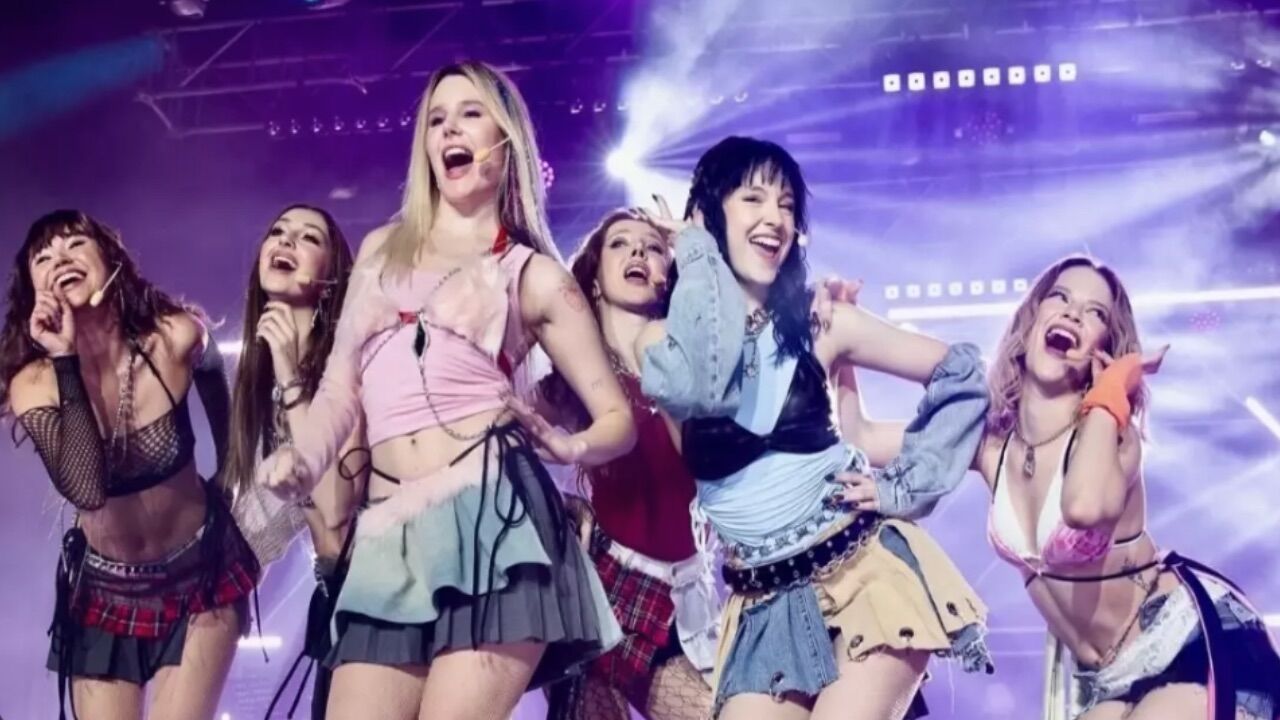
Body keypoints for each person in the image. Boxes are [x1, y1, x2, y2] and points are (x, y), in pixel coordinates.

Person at [256, 61, 633, 720]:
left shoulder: (533, 274)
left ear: (505, 140)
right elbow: (341, 386)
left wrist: (570, 446)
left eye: (469, 114)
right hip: (389, 536)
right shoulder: (380, 250)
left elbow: (616, 419)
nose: (449, 130)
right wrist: (304, 460)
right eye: (436, 119)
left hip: (493, 521)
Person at [636, 136, 993, 720]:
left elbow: (962, 372)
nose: (775, 217)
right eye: (753, 198)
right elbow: (703, 383)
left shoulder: (823, 323)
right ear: (706, 213)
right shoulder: (662, 344)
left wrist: (903, 485)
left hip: (865, 574)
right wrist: (697, 254)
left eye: (786, 205)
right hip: (763, 603)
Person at [837, 255, 1280, 719]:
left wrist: (1111, 389)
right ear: (1030, 323)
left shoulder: (1113, 434)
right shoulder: (990, 447)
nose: (1073, 313)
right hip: (1110, 678)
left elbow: (1083, 507)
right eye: (1060, 297)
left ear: (1104, 347)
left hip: (1185, 640)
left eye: (1095, 312)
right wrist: (842, 348)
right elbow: (859, 437)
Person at [0, 210, 258, 720]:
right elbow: (87, 490)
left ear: (110, 258)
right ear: (32, 291)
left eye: (76, 244)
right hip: (104, 592)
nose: (61, 259)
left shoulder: (175, 336)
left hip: (200, 577)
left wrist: (230, 479)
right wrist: (65, 358)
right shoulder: (36, 383)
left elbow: (222, 400)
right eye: (43, 257)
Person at [538, 209, 717, 720]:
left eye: (654, 247)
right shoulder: (571, 382)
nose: (639, 251)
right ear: (593, 278)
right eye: (620, 243)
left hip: (688, 593)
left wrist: (699, 250)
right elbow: (493, 440)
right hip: (606, 586)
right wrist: (562, 507)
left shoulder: (692, 363)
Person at [224, 204, 365, 719]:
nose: (285, 241)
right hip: (334, 594)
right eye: (278, 231)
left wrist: (290, 374)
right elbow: (261, 528)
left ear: (330, 280)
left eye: (309, 237)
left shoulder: (348, 364)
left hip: (381, 596)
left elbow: (335, 506)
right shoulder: (260, 384)